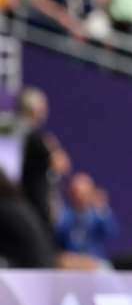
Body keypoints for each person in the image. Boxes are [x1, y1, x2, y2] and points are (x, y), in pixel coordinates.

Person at [17, 87, 69, 231]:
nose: (45, 111)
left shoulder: (19, 134)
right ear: (35, 110)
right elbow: (61, 164)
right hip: (34, 209)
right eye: (43, 107)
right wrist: (53, 148)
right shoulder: (34, 139)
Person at [56, 172, 118, 260]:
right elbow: (59, 234)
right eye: (76, 193)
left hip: (94, 259)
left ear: (91, 193)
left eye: (84, 193)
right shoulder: (64, 216)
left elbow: (111, 232)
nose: (80, 197)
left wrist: (103, 210)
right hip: (71, 261)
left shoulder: (98, 215)